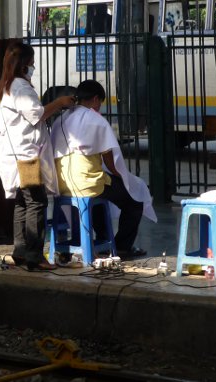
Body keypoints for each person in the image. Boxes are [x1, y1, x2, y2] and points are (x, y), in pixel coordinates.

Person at [51, 79, 157, 259]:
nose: (99, 106)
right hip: (86, 183)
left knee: (102, 195)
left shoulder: (61, 119)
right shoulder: (95, 120)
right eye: (99, 101)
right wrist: (125, 178)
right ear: (94, 99)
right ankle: (122, 246)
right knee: (135, 198)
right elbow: (110, 162)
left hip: (61, 183)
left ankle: (103, 239)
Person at [0, 42, 76, 271]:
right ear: (22, 64)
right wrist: (59, 103)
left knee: (22, 202)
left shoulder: (7, 85)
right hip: (25, 156)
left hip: (18, 153)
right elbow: (36, 114)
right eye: (31, 63)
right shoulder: (20, 86)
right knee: (36, 202)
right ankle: (34, 256)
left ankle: (20, 251)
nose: (32, 67)